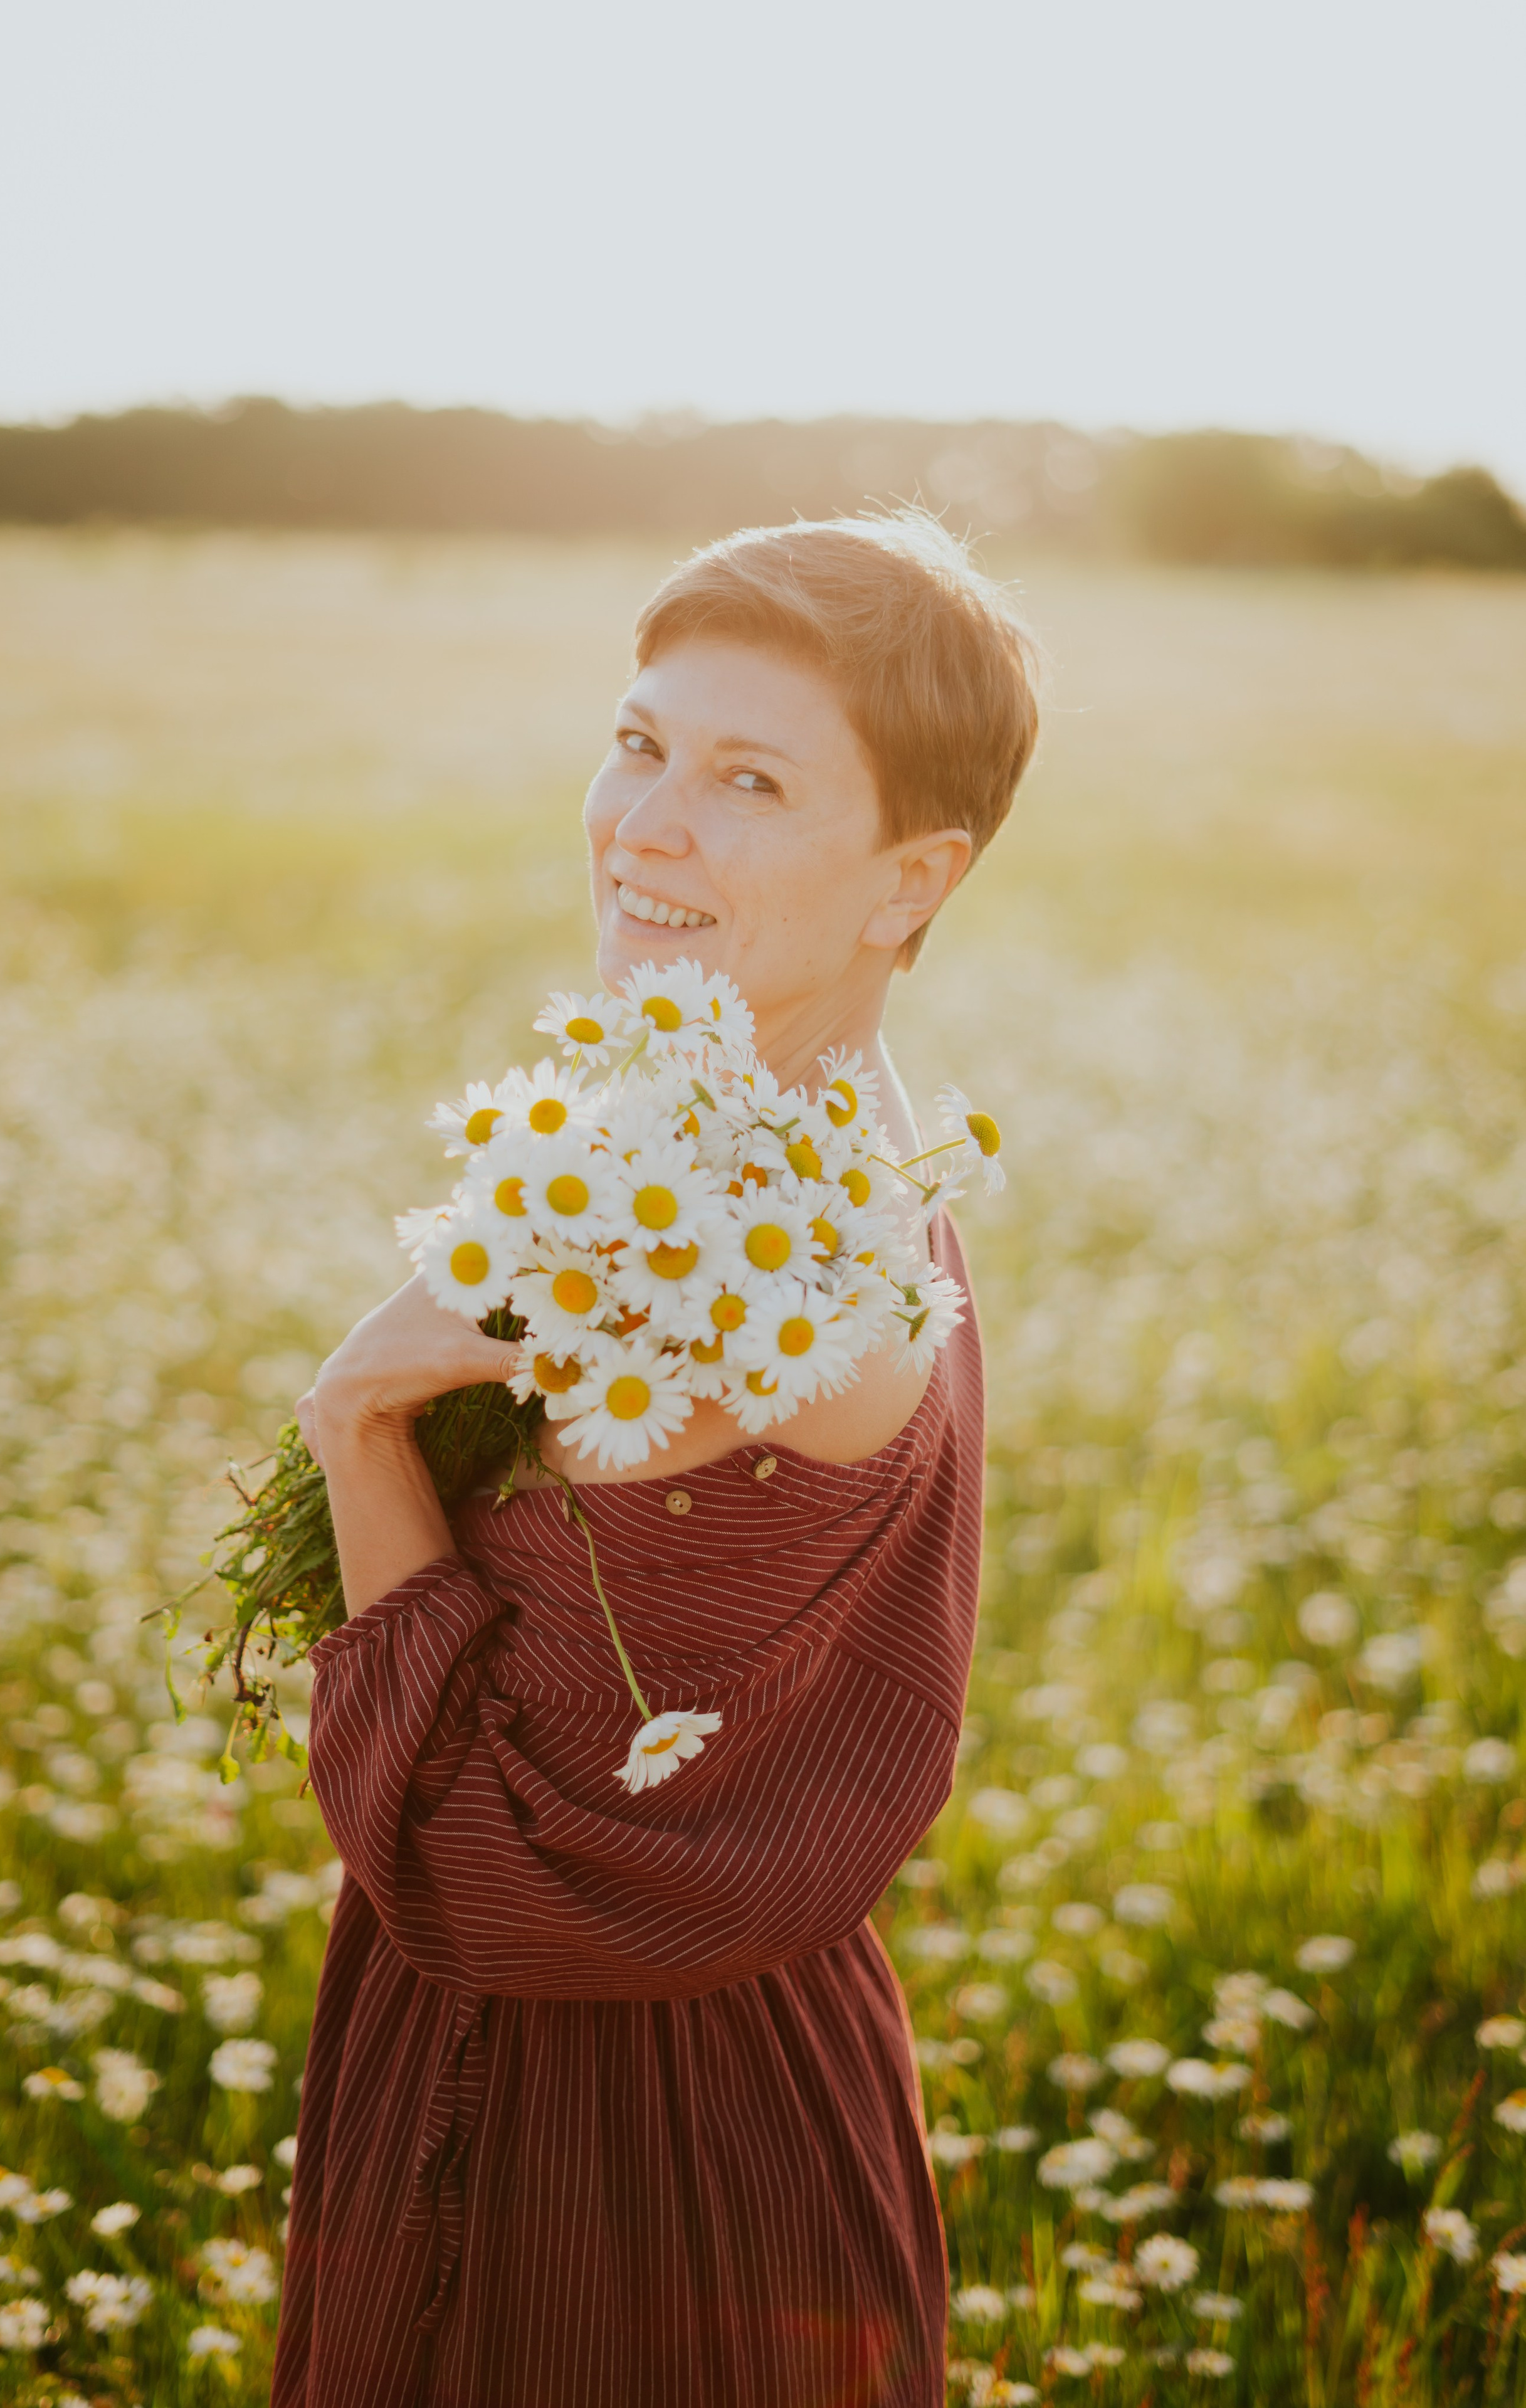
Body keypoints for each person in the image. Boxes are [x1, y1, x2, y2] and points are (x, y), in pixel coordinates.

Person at [272, 510, 1040, 2407]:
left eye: (749, 781)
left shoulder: (765, 1287)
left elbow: (484, 1871)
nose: (644, 826)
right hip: (655, 2065)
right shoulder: (778, 1148)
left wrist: (359, 1424)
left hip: (627, 2161)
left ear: (909, 882)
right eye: (639, 746)